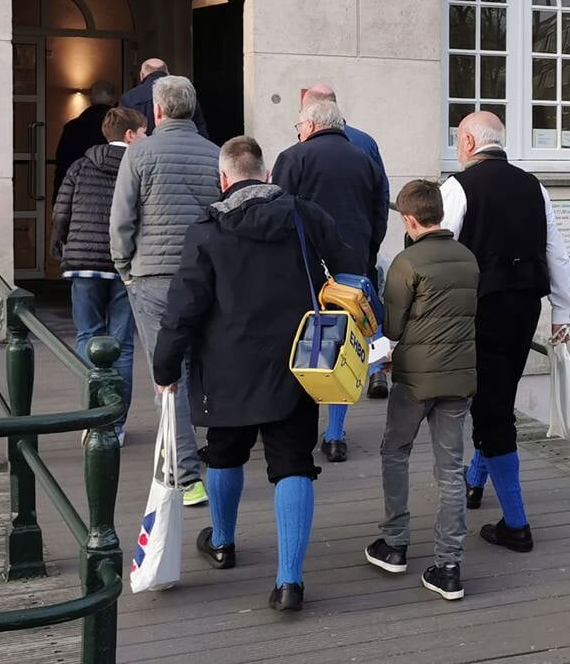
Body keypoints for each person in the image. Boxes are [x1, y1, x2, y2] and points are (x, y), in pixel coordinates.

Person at [153, 136, 347, 613]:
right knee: (293, 461)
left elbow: (184, 307)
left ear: (224, 178)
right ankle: (289, 583)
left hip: (227, 363)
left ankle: (221, 543)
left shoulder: (207, 230)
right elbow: (346, 267)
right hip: (299, 359)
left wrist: (165, 366)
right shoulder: (305, 216)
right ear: (265, 175)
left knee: (224, 452)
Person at [439, 111, 570, 553]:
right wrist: (563, 312)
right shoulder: (533, 186)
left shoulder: (457, 187)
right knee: (497, 398)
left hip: (476, 310)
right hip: (524, 309)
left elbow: (437, 252)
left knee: (490, 408)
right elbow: (557, 252)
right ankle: (476, 482)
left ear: (468, 142)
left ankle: (516, 524)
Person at [363, 180, 478, 601]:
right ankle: (449, 566)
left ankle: (395, 543)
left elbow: (392, 327)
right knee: (450, 470)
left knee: (396, 451)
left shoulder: (406, 262)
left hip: (414, 379)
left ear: (410, 220)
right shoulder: (468, 258)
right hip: (460, 377)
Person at [110, 75, 219, 508]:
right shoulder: (215, 155)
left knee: (167, 376)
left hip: (153, 276)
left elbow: (122, 219)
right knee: (200, 366)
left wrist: (124, 268)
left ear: (157, 111)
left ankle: (185, 474)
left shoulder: (139, 154)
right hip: (202, 275)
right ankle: (212, 455)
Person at [273, 97, 386, 463]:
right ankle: (335, 434)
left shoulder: (293, 157)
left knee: (300, 343)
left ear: (310, 124)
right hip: (351, 266)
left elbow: (279, 213)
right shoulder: (364, 160)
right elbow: (379, 211)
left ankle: (293, 423)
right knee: (339, 344)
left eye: (299, 126)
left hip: (303, 268)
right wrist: (367, 255)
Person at [50, 106, 146, 445]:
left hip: (83, 262)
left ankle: (92, 416)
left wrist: (61, 243)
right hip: (124, 264)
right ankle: (115, 424)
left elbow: (61, 210)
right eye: (144, 131)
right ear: (131, 134)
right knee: (121, 343)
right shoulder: (139, 166)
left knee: (87, 336)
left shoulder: (80, 164)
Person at [301, 82, 393, 401]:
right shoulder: (365, 143)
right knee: (364, 307)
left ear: (313, 113)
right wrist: (373, 241)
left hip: (315, 253)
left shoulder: (302, 149)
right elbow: (382, 197)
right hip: (357, 246)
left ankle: (326, 377)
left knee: (328, 318)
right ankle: (378, 365)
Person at [53, 80, 118, 195]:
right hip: (110, 190)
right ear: (113, 99)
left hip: (78, 189)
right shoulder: (119, 126)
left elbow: (63, 164)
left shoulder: (72, 127)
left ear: (91, 99)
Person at [120, 58, 210, 138]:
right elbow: (201, 131)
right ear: (167, 74)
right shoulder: (185, 94)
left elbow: (122, 135)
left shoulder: (129, 98)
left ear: (141, 75)